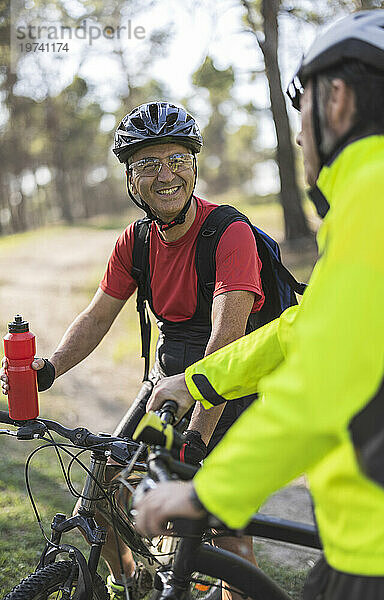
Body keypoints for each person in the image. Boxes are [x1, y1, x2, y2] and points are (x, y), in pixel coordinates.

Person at [135, 11, 384, 600]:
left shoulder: (381, 197)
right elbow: (298, 329)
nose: (300, 135)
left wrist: (208, 493)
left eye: (301, 106)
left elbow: (322, 386)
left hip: (383, 556)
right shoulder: (377, 196)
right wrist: (199, 380)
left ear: (336, 99)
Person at [1, 101, 268, 599]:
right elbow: (98, 316)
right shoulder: (136, 242)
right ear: (129, 177)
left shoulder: (229, 234)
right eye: (148, 164)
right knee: (105, 485)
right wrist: (49, 369)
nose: (166, 175)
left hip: (233, 387)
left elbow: (224, 344)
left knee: (226, 528)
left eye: (177, 161)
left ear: (193, 166)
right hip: (168, 388)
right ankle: (132, 582)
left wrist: (195, 439)